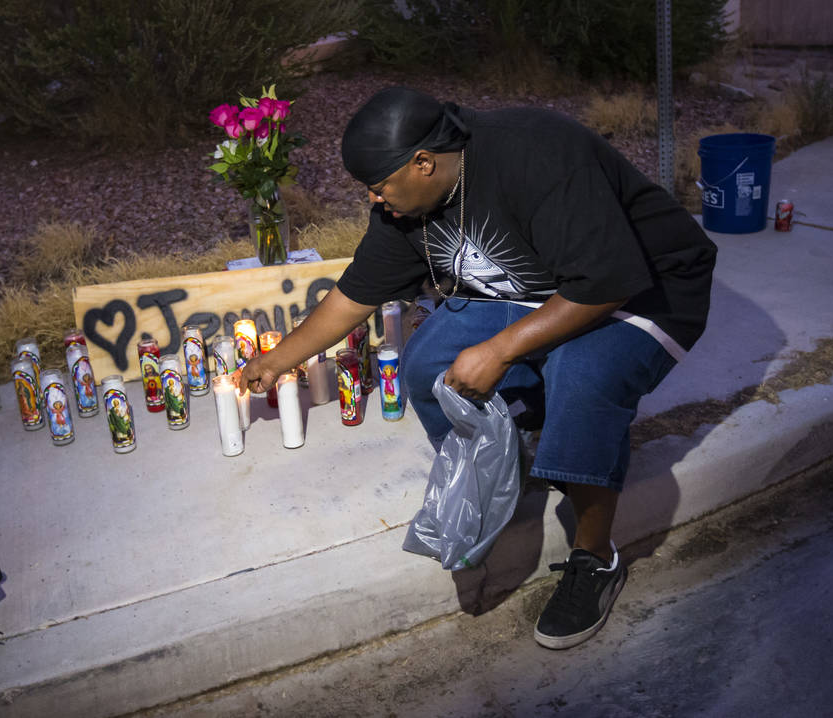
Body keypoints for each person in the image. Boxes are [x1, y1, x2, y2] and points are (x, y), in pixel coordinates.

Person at [239, 86, 716, 650]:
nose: (373, 200)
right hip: (547, 290)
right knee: (427, 366)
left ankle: (596, 558)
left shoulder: (536, 154)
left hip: (643, 288)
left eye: (379, 185)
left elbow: (606, 283)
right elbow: (354, 296)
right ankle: (506, 467)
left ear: (424, 162)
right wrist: (275, 360)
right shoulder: (404, 207)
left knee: (583, 378)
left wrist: (502, 350)